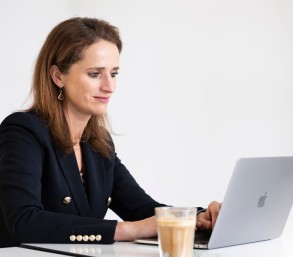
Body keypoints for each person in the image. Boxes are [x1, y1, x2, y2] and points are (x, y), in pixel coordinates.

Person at [0, 17, 221, 248]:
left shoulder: (98, 144)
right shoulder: (22, 131)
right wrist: (128, 229)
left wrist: (200, 218)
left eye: (114, 73)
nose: (109, 86)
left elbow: (142, 209)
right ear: (58, 76)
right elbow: (24, 222)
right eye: (95, 74)